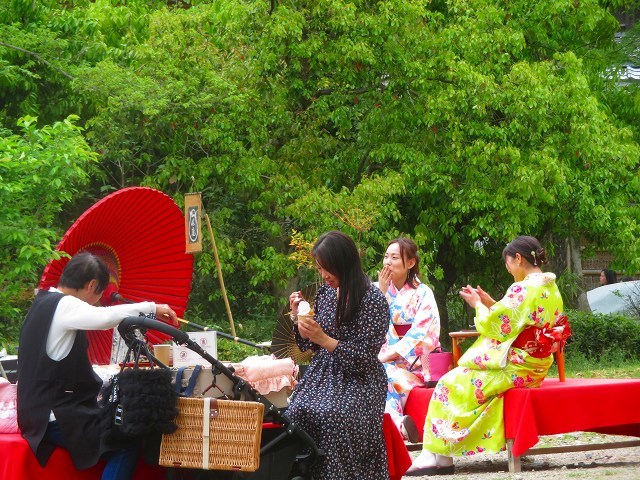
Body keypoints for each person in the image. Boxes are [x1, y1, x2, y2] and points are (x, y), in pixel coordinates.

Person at [406, 236, 566, 476]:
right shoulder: (549, 286)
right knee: (456, 380)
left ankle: (434, 453)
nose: (509, 269)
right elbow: (514, 318)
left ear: (519, 259)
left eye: (509, 263)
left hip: (517, 366)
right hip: (536, 364)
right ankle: (441, 455)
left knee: (448, 383)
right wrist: (491, 303)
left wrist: (478, 306)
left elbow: (497, 326)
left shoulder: (523, 288)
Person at [17, 252, 178, 480]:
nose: (99, 301)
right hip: (53, 416)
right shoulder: (65, 306)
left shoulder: (42, 302)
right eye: (100, 294)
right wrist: (151, 308)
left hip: (34, 411)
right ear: (92, 284)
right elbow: (103, 318)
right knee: (125, 442)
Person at [287, 231, 390, 479]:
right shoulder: (325, 294)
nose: (324, 276)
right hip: (323, 376)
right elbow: (309, 347)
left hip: (360, 381)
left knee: (333, 416)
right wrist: (299, 320)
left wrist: (324, 339)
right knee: (294, 414)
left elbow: (364, 357)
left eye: (328, 269)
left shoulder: (372, 299)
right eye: (320, 269)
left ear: (344, 263)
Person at [375, 238, 442, 443]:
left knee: (383, 373)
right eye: (386, 256)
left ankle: (393, 428)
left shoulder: (423, 293)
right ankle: (399, 425)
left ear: (410, 263)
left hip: (415, 365)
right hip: (383, 359)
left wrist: (386, 356)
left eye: (394, 257)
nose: (388, 262)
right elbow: (364, 325)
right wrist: (380, 293)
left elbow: (421, 335)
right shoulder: (375, 290)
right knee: (379, 372)